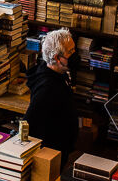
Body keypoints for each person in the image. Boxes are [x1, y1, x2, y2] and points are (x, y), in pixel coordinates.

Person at [24, 28, 78, 157]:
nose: (75, 54)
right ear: (57, 58)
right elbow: (30, 121)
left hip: (60, 147)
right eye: (70, 52)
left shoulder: (59, 72)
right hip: (51, 151)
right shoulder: (47, 88)